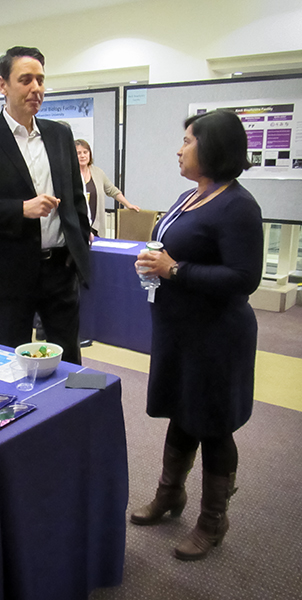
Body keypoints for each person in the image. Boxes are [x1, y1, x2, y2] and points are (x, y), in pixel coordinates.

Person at [130, 110, 264, 561]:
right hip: (179, 329)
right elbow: (168, 249)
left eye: (187, 139)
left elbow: (245, 278)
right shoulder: (190, 196)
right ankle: (171, 496)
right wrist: (154, 263)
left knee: (213, 423)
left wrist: (175, 269)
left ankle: (213, 521)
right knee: (182, 412)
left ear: (213, 148)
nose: (179, 148)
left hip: (217, 335)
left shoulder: (239, 205)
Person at [0, 46, 90, 365]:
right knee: (13, 359)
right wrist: (21, 209)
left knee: (68, 357)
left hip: (60, 269)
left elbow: (75, 199)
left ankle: (69, 415)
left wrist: (78, 240)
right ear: (3, 85)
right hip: (11, 270)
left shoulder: (59, 135)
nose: (36, 88)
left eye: (40, 80)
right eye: (25, 79)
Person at [75, 139, 140, 237]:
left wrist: (128, 204)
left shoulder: (98, 173)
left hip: (95, 227)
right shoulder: (70, 174)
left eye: (85, 152)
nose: (83, 156)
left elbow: (113, 191)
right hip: (76, 226)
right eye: (79, 153)